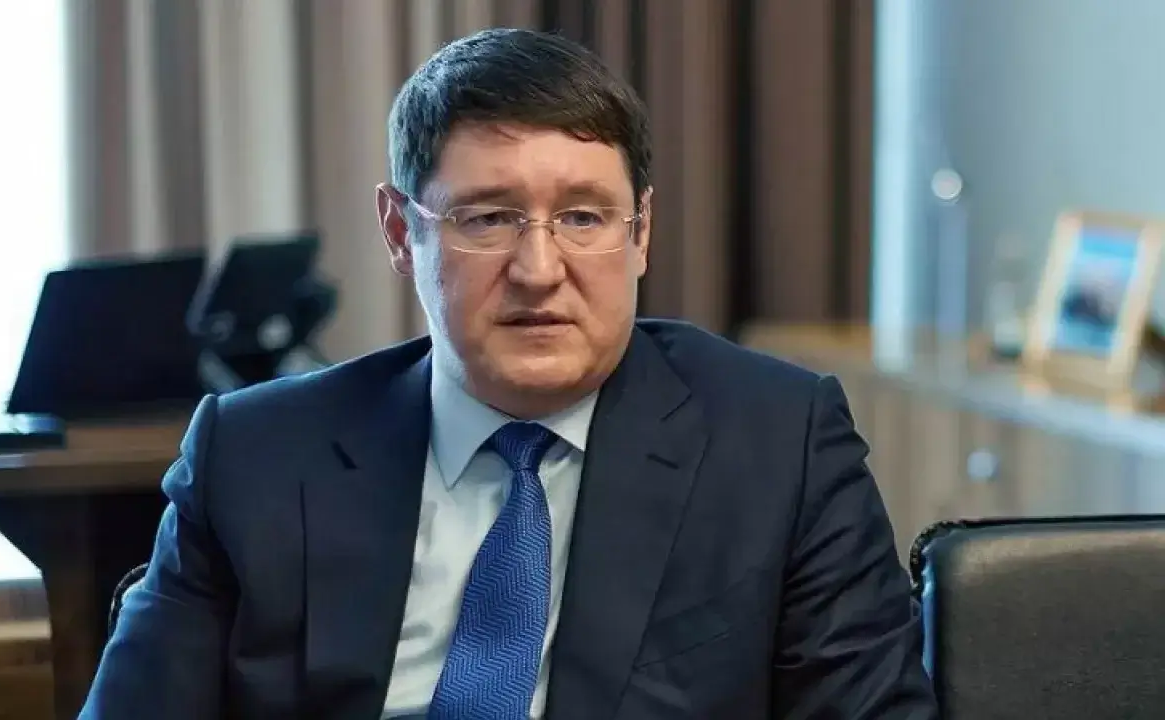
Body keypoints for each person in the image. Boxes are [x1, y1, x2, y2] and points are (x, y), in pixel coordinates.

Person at [82, 27, 938, 720]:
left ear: (641, 233)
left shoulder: (779, 443)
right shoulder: (256, 457)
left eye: (583, 217)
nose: (539, 269)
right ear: (400, 233)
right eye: (487, 219)